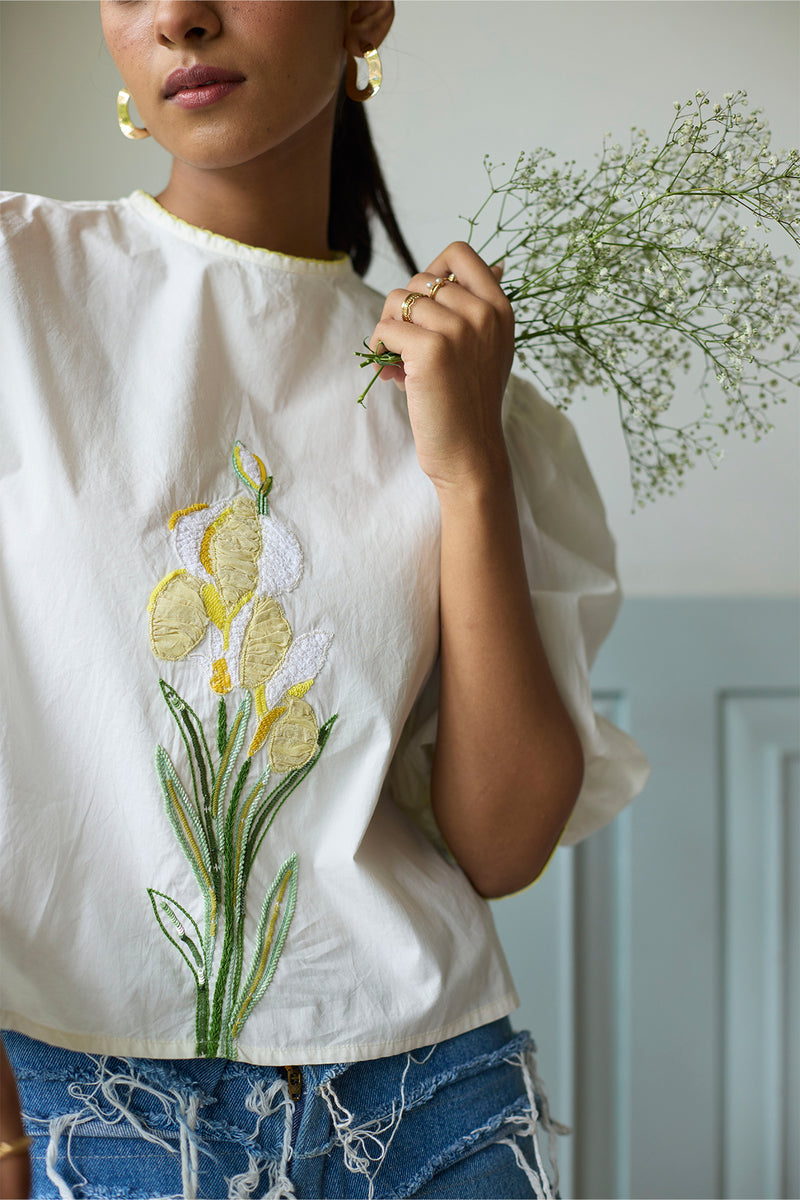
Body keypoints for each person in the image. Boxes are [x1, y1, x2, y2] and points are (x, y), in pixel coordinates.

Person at [0, 3, 648, 1197]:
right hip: (76, 1101)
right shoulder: (19, 287)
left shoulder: (464, 390)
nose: (179, 14)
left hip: (427, 1110)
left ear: (364, 10)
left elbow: (500, 845)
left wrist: (465, 465)